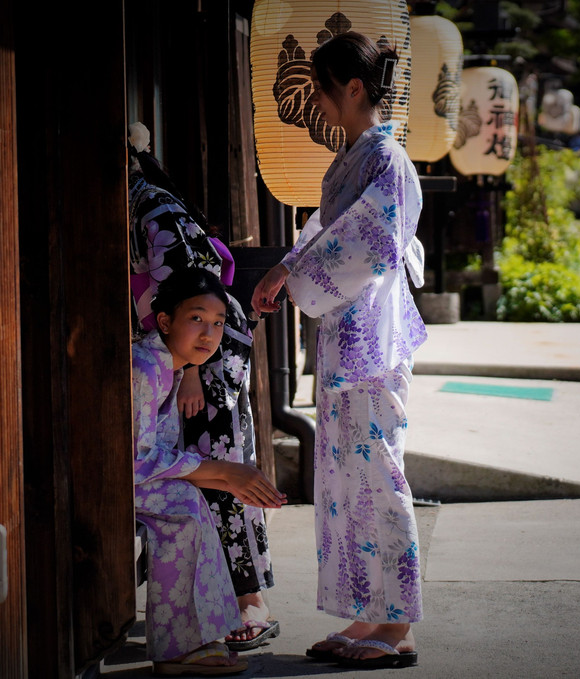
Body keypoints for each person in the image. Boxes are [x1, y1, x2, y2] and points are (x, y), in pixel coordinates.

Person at [251, 31, 425, 670]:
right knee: (349, 479)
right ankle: (371, 614)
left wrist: (297, 275)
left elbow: (369, 244)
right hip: (348, 338)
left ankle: (398, 622)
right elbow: (329, 232)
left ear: (353, 89)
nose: (318, 103)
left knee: (377, 470)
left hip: (371, 342)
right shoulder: (355, 157)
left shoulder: (386, 160)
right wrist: (285, 268)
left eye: (322, 89)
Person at [128, 123, 281, 651]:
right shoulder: (153, 200)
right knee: (221, 470)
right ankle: (229, 604)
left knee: (225, 469)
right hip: (196, 342)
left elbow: (193, 285)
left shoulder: (151, 206)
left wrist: (190, 365)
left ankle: (245, 599)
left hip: (200, 348)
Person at [132, 267, 287, 675]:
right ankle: (178, 648)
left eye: (218, 323)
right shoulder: (145, 368)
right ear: (165, 320)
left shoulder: (171, 366)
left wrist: (228, 477)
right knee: (184, 507)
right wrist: (222, 472)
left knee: (195, 499)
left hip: (130, 477)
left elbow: (153, 455)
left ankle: (196, 638)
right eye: (196, 318)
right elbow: (134, 460)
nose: (209, 334)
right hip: (110, 480)